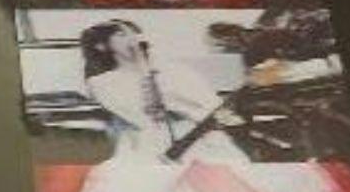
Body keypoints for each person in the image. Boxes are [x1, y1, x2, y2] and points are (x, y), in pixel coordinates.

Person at [80, 19, 248, 163]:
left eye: (135, 33)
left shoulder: (175, 69)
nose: (134, 38)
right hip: (149, 146)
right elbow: (142, 114)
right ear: (101, 46)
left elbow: (211, 104)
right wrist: (144, 68)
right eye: (121, 35)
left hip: (201, 140)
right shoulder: (102, 83)